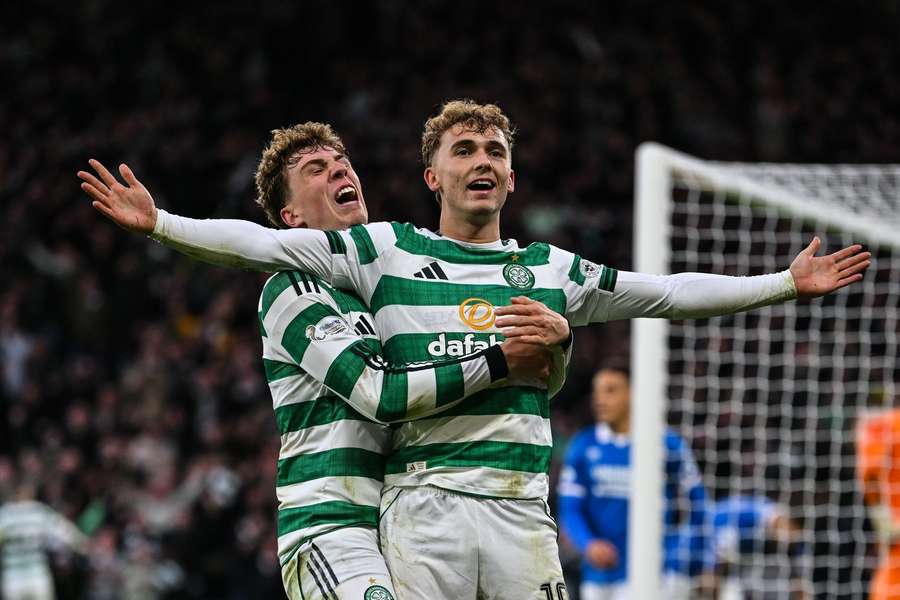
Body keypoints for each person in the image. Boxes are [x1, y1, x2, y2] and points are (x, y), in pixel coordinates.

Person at [79, 99, 870, 599]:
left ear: (513, 178)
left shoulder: (549, 271)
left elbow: (662, 292)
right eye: (464, 150)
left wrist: (781, 283)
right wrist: (163, 224)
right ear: (432, 176)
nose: (482, 160)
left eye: (495, 151)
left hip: (520, 508)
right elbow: (257, 245)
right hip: (418, 506)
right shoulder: (382, 253)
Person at [556, 364, 708, 599]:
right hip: (598, 577)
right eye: (597, 392)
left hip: (654, 575)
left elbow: (699, 503)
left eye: (611, 390)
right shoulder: (583, 446)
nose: (599, 400)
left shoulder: (667, 444)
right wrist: (589, 544)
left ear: (633, 394)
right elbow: (570, 509)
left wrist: (689, 555)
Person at [691, 495, 810, 600]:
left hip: (747, 566)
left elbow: (802, 584)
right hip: (723, 558)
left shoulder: (797, 543)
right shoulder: (749, 515)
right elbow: (718, 554)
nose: (784, 537)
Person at [0, 484, 89, 600]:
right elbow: (65, 532)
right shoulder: (39, 512)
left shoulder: (4, 515)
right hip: (38, 575)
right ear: (30, 493)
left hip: (13, 577)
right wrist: (85, 545)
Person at [857, 409, 900, 600]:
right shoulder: (886, 424)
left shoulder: (883, 423)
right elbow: (871, 478)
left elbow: (870, 479)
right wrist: (887, 527)